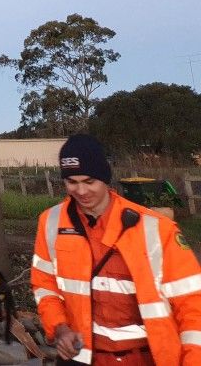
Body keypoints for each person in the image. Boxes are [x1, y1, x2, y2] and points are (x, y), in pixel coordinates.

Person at [31, 133, 201, 365]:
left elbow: (193, 305)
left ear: (106, 179)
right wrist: (59, 329)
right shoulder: (50, 222)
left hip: (146, 358)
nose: (81, 191)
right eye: (72, 182)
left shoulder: (155, 228)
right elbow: (45, 287)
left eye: (89, 181)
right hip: (81, 358)